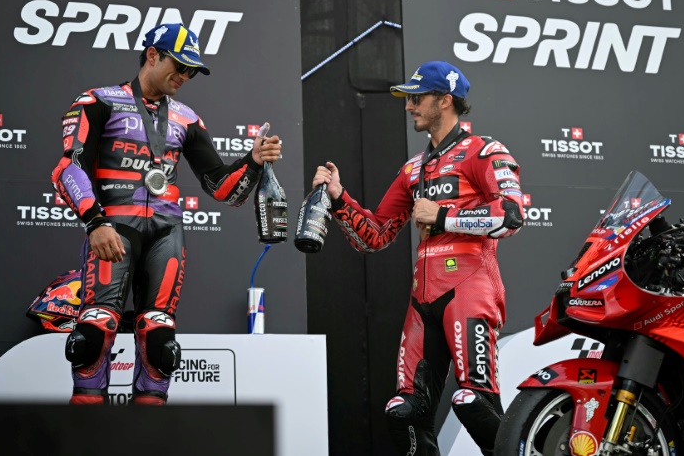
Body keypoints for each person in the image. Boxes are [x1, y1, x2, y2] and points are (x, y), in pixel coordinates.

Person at [51, 23, 281, 405]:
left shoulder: (187, 119)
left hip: (166, 235)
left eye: (192, 71)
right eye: (180, 66)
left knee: (160, 345)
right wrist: (95, 222)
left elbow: (222, 188)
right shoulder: (98, 101)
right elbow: (68, 169)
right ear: (152, 55)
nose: (186, 76)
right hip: (113, 231)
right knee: (93, 336)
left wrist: (253, 161)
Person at [310, 61, 524, 455]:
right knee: (403, 411)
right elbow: (374, 236)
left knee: (474, 402)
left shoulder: (484, 151)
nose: (408, 105)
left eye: (417, 97)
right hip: (422, 301)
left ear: (445, 101)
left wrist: (442, 215)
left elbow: (512, 216)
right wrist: (340, 198)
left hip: (470, 291)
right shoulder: (414, 169)